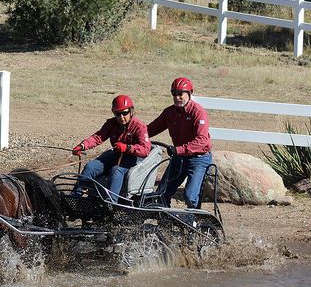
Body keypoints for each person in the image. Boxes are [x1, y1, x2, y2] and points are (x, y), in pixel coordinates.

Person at [71, 95, 151, 202]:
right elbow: (98, 137)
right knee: (90, 166)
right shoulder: (111, 123)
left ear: (131, 111)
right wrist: (83, 146)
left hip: (132, 158)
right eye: (118, 114)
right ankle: (75, 197)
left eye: (125, 113)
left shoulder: (139, 126)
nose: (121, 117)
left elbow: (145, 149)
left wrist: (127, 147)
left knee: (116, 171)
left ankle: (111, 202)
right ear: (113, 113)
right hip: (115, 154)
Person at [147, 77, 212, 208]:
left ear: (189, 93)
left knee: (190, 197)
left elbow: (202, 141)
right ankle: (166, 223)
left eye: (180, 94)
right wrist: (133, 136)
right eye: (174, 94)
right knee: (161, 193)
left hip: (199, 159)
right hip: (179, 158)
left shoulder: (198, 112)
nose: (177, 97)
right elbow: (150, 129)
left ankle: (195, 223)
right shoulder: (169, 112)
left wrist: (179, 150)